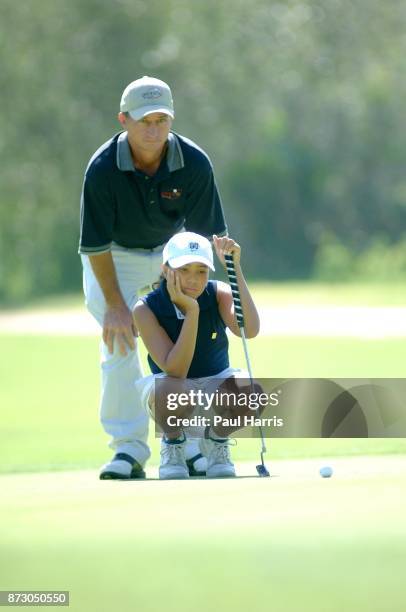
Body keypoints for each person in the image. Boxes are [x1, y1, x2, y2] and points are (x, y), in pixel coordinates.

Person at [78, 76, 227, 479]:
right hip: (115, 257)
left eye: (161, 120)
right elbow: (95, 246)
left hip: (171, 252)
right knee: (119, 342)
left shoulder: (193, 163)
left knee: (187, 337)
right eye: (144, 120)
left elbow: (205, 239)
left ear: (171, 120)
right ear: (124, 120)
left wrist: (209, 292)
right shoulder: (103, 168)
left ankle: (188, 444)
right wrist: (114, 306)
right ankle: (128, 450)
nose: (153, 129)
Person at [132, 232, 260, 479]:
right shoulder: (145, 308)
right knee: (171, 389)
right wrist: (192, 311)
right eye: (184, 269)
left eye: (201, 271)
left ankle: (216, 442)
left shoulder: (218, 293)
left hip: (215, 388)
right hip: (170, 392)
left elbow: (249, 330)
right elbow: (175, 370)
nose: (193, 279)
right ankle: (174, 445)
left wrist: (234, 269)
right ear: (166, 269)